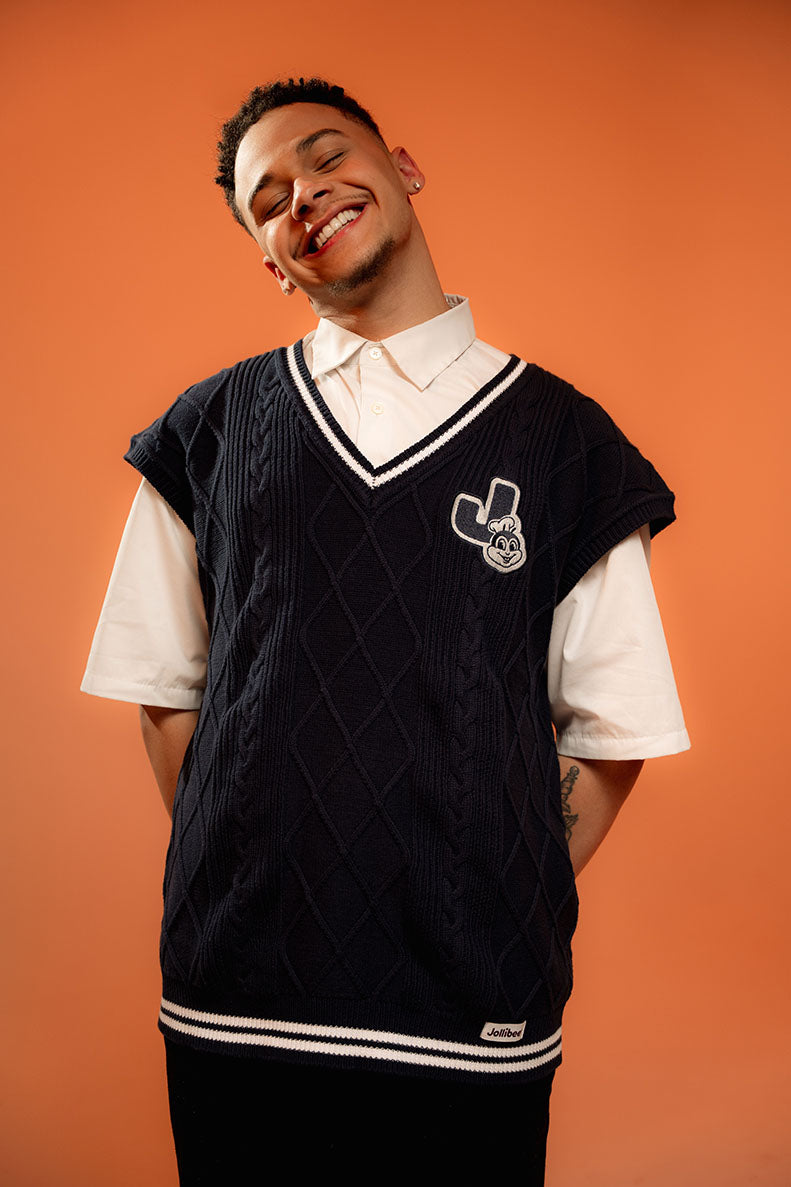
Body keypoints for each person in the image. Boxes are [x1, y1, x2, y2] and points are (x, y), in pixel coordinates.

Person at [82, 77, 689, 1185]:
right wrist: (256, 864)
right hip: (237, 1002)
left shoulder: (565, 444)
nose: (304, 193)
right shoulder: (205, 430)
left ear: (401, 168)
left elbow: (613, 726)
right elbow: (167, 692)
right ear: (271, 259)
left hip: (471, 1008)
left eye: (325, 157)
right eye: (268, 199)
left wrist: (489, 879)